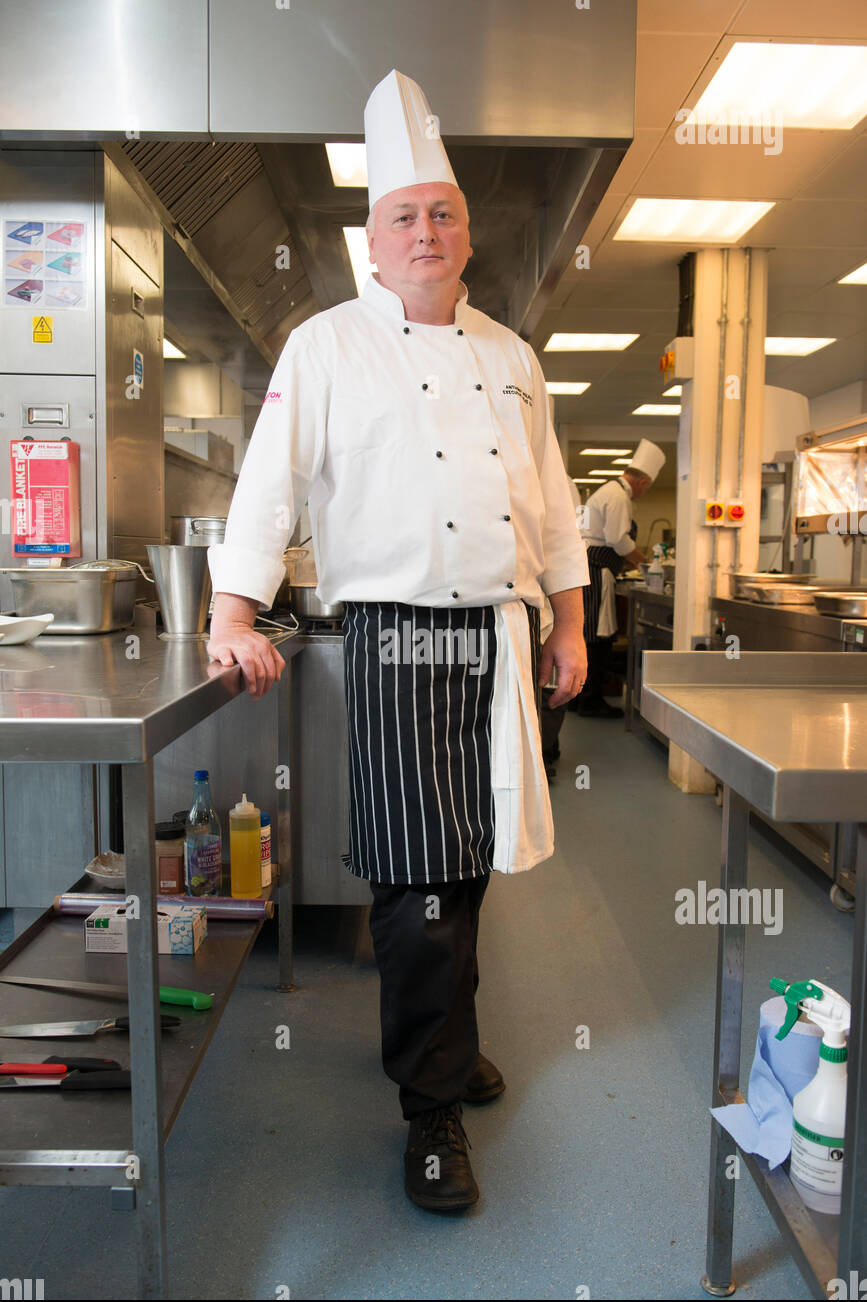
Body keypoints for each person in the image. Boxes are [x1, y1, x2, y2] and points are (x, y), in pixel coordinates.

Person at [205, 69, 589, 1213]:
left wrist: (569, 619)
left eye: (443, 213)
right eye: (403, 216)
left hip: (498, 636)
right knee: (416, 883)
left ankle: (447, 1039)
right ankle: (429, 1114)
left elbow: (555, 503)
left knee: (468, 862)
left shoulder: (513, 357)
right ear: (373, 245)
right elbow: (268, 479)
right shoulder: (323, 346)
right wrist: (233, 606)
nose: (425, 232)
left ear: (467, 236)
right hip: (396, 635)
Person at [573, 439, 664, 718]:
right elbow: (618, 540)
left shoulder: (608, 491)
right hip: (598, 572)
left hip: (591, 569)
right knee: (599, 636)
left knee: (591, 634)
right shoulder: (618, 496)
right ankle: (590, 700)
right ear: (643, 482)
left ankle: (582, 697)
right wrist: (646, 563)